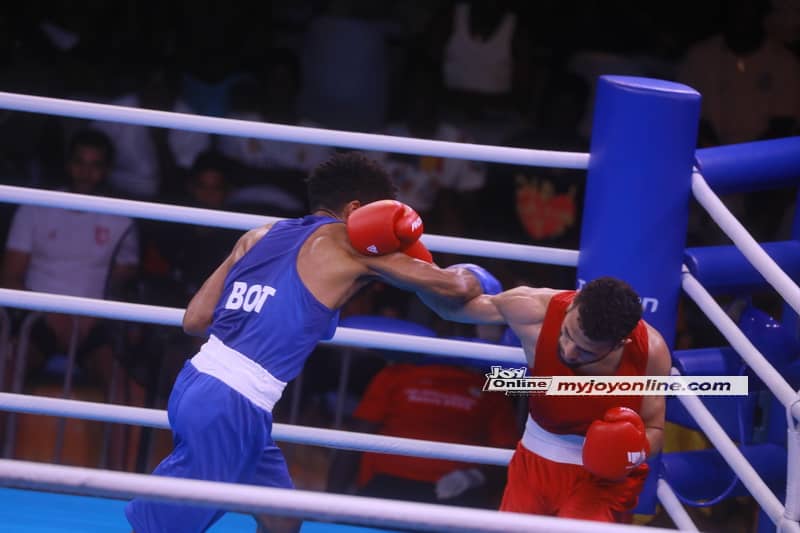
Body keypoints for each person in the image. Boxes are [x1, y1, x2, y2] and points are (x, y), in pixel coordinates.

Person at [125, 152, 485, 533]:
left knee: (282, 519)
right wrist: (421, 250)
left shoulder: (258, 235)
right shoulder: (349, 244)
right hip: (231, 403)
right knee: (163, 527)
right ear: (357, 210)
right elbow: (458, 287)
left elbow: (194, 320)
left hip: (204, 383)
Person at [421, 275, 671, 523]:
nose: (569, 351)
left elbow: (655, 428)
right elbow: (451, 311)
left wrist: (630, 451)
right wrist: (405, 264)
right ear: (574, 305)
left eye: (586, 350)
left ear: (620, 344)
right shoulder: (533, 308)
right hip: (534, 463)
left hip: (603, 482)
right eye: (567, 334)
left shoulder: (650, 351)